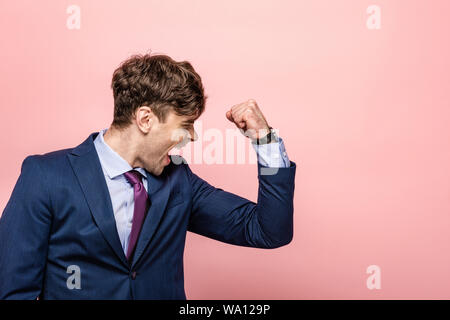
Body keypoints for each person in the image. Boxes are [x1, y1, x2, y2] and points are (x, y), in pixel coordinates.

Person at [0, 53, 296, 299]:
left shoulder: (179, 181)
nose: (191, 137)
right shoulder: (46, 176)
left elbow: (267, 230)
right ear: (145, 119)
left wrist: (264, 141)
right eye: (186, 124)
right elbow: (13, 291)